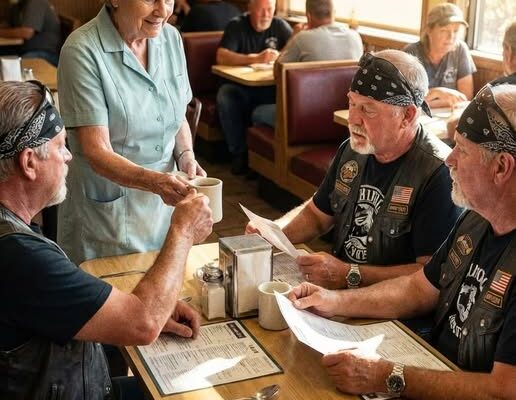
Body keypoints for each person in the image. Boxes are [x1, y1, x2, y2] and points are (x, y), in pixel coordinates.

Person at [287, 83, 516, 399]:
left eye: (462, 150)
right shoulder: (477, 218)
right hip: (431, 365)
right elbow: (418, 288)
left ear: (502, 167)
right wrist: (333, 301)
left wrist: (387, 376)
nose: (449, 160)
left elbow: (504, 391)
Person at [0, 80, 213, 398]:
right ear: (29, 162)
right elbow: (143, 324)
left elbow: (53, 302)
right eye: (61, 146)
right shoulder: (20, 256)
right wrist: (183, 230)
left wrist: (140, 306)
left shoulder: (14, 235)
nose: (69, 157)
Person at [247, 50, 462, 291]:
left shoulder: (440, 174)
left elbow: (430, 275)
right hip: (340, 293)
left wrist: (349, 274)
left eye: (368, 109)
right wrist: (274, 233)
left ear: (407, 115)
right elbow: (317, 215)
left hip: (388, 306)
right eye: (352, 103)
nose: (353, 119)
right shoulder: (352, 150)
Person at [57, 0, 206, 264]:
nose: (163, 11)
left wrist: (186, 156)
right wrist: (157, 183)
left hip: (165, 211)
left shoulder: (171, 38)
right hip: (108, 220)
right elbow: (97, 151)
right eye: (150, 0)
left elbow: (178, 113)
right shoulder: (81, 50)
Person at [251, 0, 364, 128]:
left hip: (307, 120)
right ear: (333, 13)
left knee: (257, 112)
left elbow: (277, 73)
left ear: (308, 16)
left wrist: (294, 37)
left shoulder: (302, 38)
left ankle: (275, 142)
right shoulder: (355, 37)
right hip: (344, 121)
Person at [215, 0, 292, 174]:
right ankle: (239, 154)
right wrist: (256, 58)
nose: (266, 15)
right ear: (250, 9)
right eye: (261, 10)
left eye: (270, 10)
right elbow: (221, 56)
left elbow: (291, 52)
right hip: (241, 88)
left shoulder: (280, 26)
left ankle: (261, 163)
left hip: (270, 88)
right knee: (226, 95)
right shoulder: (236, 26)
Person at [404, 3, 476, 108]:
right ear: (429, 30)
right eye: (444, 30)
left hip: (449, 115)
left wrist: (430, 100)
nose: (451, 37)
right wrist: (437, 92)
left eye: (455, 31)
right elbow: (407, 102)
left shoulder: (461, 49)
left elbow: (466, 98)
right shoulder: (411, 54)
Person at [0, 0, 61, 66]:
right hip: (26, 50)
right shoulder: (18, 5)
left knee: (15, 66)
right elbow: (8, 25)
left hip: (45, 53)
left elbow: (27, 33)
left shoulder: (36, 2)